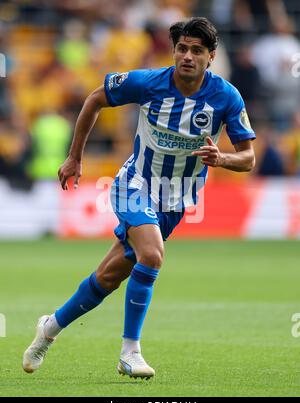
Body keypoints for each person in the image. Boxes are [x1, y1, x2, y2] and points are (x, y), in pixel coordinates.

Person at [22, 17, 256, 379]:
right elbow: (95, 99)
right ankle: (130, 352)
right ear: (174, 51)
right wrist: (74, 156)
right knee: (152, 254)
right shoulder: (148, 83)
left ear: (211, 57)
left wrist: (221, 158)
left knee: (108, 277)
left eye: (197, 51)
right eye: (182, 49)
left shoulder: (226, 97)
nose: (187, 57)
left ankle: (50, 328)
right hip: (134, 184)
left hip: (175, 201)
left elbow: (248, 158)